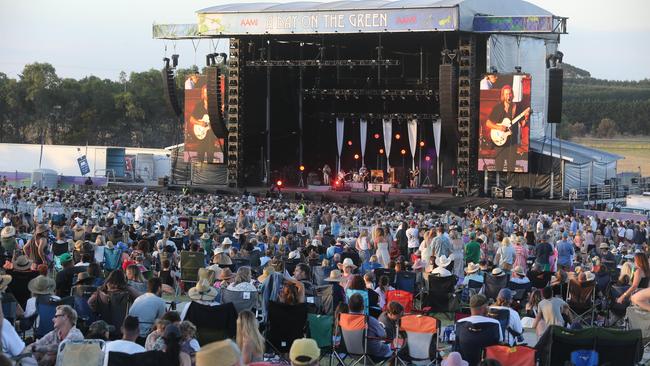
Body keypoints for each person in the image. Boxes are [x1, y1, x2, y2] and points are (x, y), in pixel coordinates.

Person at [484, 84, 530, 171]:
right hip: (500, 140)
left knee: (511, 166)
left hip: (512, 142)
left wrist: (526, 118)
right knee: (499, 166)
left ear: (512, 94)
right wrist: (499, 128)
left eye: (510, 94)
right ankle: (498, 182)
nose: (508, 96)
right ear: (503, 96)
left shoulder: (516, 107)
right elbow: (488, 123)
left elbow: (522, 124)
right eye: (506, 94)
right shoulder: (498, 108)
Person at [347, 293, 392, 359]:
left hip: (350, 351)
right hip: (371, 353)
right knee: (389, 347)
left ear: (349, 306)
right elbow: (383, 335)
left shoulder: (344, 319)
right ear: (363, 307)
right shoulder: (369, 320)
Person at [188, 83, 217, 164]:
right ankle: (199, 173)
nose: (207, 95)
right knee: (200, 154)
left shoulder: (214, 106)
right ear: (203, 94)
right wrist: (200, 123)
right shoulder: (199, 106)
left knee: (210, 154)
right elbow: (191, 119)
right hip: (201, 135)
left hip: (211, 135)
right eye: (205, 93)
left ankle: (209, 172)